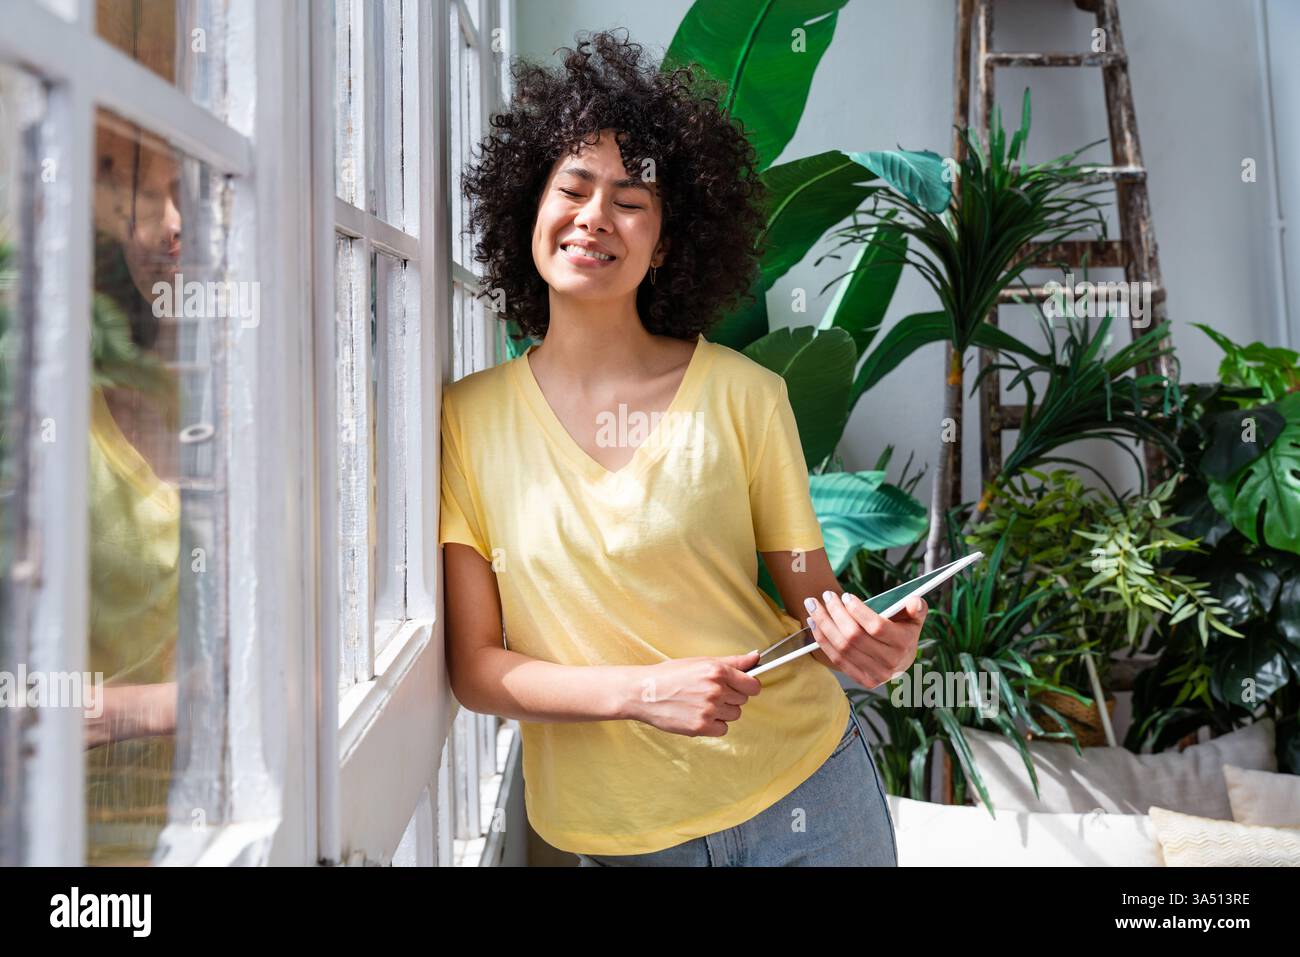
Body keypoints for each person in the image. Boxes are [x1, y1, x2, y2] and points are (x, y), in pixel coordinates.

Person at [440, 29, 926, 867]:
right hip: (629, 837)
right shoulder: (466, 420)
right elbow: (478, 668)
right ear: (531, 207)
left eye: (632, 200)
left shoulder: (745, 395)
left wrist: (863, 638)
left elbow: (813, 600)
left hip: (808, 786)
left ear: (663, 243)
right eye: (575, 187)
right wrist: (643, 692)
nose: (597, 216)